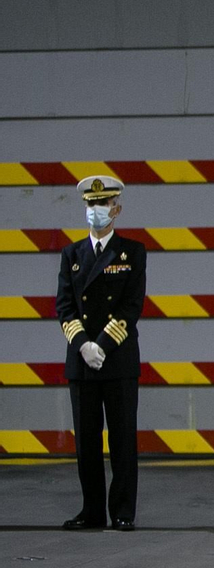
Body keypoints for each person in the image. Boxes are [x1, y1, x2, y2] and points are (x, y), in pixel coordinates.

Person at [56, 175, 145, 532]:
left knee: (123, 439)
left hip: (118, 359)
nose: (97, 211)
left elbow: (131, 305)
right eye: (91, 205)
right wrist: (83, 345)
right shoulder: (72, 254)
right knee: (87, 442)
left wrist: (102, 346)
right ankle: (91, 511)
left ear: (117, 209)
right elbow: (64, 306)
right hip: (82, 362)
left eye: (103, 204)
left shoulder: (132, 252)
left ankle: (122, 511)